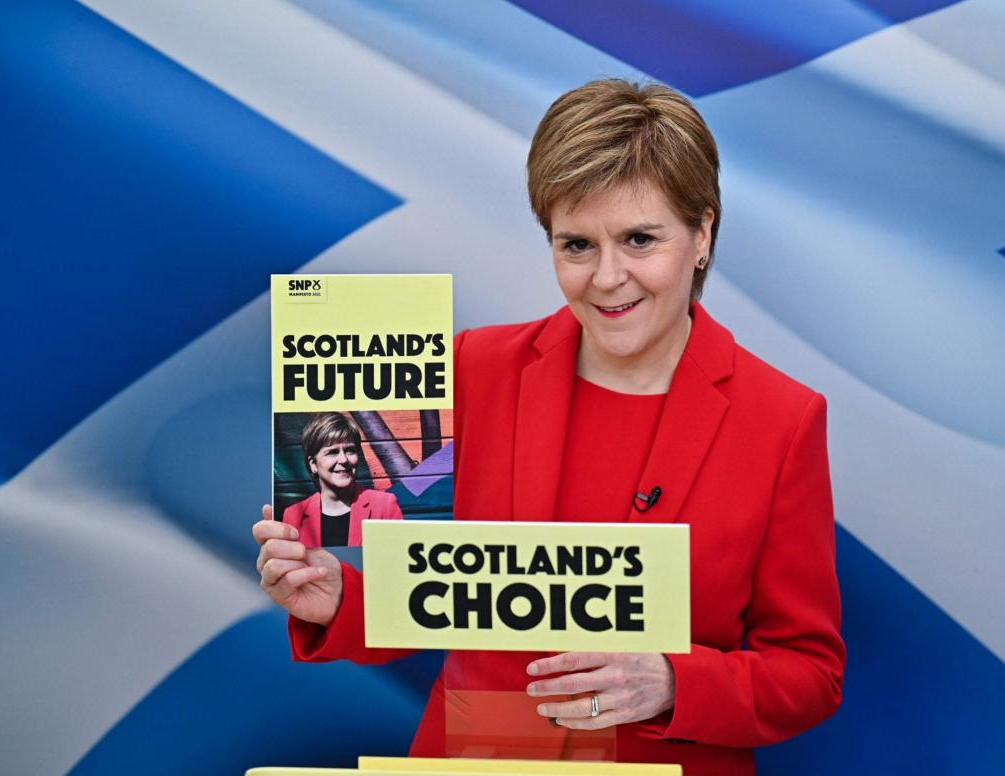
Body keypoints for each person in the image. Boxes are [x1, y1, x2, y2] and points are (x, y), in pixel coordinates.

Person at [254, 79, 845, 775]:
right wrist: (338, 599)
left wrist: (672, 683)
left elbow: (809, 671)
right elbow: (432, 598)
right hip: (478, 758)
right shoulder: (474, 370)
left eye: (639, 239)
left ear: (702, 235)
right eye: (577, 245)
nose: (607, 277)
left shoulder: (782, 419)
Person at [282, 411, 402, 548]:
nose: (344, 459)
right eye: (332, 452)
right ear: (313, 464)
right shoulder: (293, 515)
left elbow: (396, 564)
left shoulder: (385, 505)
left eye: (350, 450)